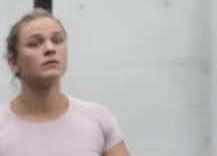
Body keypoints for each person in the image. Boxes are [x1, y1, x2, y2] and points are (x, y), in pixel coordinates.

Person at [1, 9, 130, 156]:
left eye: (57, 41)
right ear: (13, 62)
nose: (50, 49)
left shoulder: (98, 118)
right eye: (34, 43)